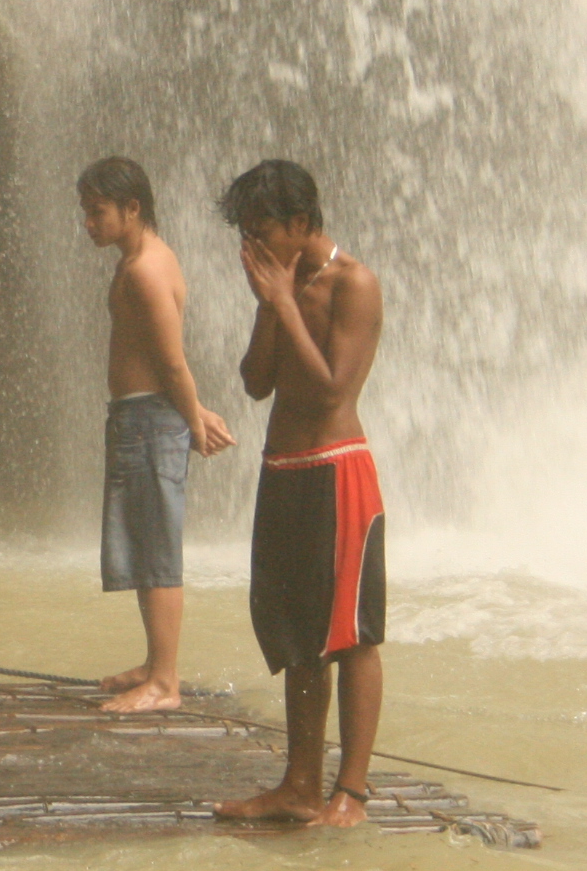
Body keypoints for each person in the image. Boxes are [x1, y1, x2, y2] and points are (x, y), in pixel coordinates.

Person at [213, 159, 386, 828]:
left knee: (353, 636)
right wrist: (268, 306)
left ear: (301, 223)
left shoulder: (355, 283)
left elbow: (333, 390)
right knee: (297, 640)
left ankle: (355, 792)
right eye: (246, 237)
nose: (251, 249)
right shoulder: (278, 286)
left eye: (262, 233)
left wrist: (284, 303)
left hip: (336, 470)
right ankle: (299, 784)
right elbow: (258, 382)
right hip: (282, 468)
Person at [79, 157, 235, 714]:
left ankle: (165, 682)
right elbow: (159, 359)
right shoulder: (140, 260)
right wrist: (195, 409)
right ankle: (153, 663)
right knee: (146, 543)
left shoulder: (146, 269)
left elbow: (172, 362)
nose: (89, 224)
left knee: (158, 548)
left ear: (132, 208)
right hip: (142, 414)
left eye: (98, 212)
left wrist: (192, 421)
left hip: (149, 420)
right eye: (86, 212)